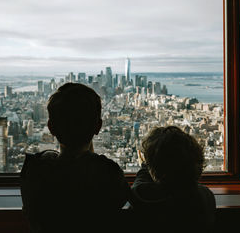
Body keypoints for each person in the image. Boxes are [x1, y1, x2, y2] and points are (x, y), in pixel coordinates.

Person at [20, 83, 130, 233]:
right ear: (98, 126)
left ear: (51, 127)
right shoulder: (109, 174)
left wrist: (50, 156)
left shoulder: (35, 173)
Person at [129, 126, 216, 233]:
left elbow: (138, 190)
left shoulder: (151, 198)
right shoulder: (206, 195)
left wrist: (145, 165)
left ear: (155, 168)